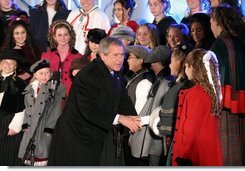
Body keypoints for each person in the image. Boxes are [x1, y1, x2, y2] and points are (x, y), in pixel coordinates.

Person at [48, 37, 142, 166]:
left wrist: (134, 118)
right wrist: (120, 118)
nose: (120, 59)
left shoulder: (115, 72)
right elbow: (88, 109)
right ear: (103, 56)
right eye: (115, 55)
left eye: (122, 55)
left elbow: (122, 99)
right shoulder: (88, 75)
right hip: (75, 137)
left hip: (93, 135)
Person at [210, 5, 245, 166]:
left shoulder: (220, 43)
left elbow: (212, 76)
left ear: (217, 22)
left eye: (211, 21)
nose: (210, 26)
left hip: (227, 103)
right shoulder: (244, 40)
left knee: (229, 151)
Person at [171, 49, 223, 166]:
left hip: (194, 156)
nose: (185, 70)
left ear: (193, 68)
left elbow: (190, 128)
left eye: (186, 66)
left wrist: (183, 155)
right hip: (207, 153)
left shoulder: (196, 93)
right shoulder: (212, 92)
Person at [129, 45, 173, 166]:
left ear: (158, 62)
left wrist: (140, 120)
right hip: (151, 132)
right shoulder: (160, 80)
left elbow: (160, 110)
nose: (151, 65)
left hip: (156, 135)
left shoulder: (165, 82)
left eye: (152, 62)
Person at [18, 59, 66, 166]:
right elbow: (27, 109)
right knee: (28, 157)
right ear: (35, 75)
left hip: (44, 128)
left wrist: (49, 128)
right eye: (41, 73)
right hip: (30, 129)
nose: (44, 76)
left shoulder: (56, 87)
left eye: (47, 73)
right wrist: (25, 124)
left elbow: (56, 110)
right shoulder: (30, 88)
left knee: (42, 157)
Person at [125, 45, 154, 165]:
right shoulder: (136, 77)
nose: (127, 60)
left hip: (135, 134)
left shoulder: (144, 82)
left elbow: (139, 113)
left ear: (140, 60)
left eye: (131, 57)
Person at [41, 20, 82, 97]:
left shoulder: (78, 57)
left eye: (65, 34)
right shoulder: (46, 56)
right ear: (54, 37)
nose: (63, 38)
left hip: (72, 97)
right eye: (59, 35)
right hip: (50, 97)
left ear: (70, 36)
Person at [0, 49, 27, 166]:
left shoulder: (20, 83)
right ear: (0, 64)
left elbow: (22, 107)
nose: (8, 65)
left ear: (15, 66)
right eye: (6, 62)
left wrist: (15, 126)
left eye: (12, 63)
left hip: (9, 120)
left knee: (7, 153)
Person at [4, 18, 41, 83]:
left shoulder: (35, 48)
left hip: (33, 83)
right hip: (11, 85)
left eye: (23, 32)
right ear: (12, 35)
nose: (20, 36)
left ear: (27, 33)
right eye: (17, 33)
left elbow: (39, 67)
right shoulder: (6, 49)